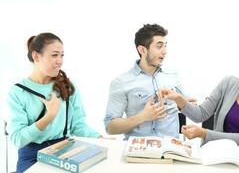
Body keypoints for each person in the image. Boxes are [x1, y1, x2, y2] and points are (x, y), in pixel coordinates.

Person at [159, 41, 239, 145]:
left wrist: (204, 134)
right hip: (217, 154)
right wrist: (178, 98)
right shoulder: (228, 83)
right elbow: (201, 114)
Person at [6, 33, 101, 172]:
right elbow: (17, 139)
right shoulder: (17, 92)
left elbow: (78, 125)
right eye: (54, 55)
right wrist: (49, 116)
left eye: (62, 55)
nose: (60, 61)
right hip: (33, 155)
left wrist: (100, 138)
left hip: (65, 150)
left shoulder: (67, 86)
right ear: (36, 56)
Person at [104, 24, 188, 140]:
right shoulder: (121, 82)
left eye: (165, 46)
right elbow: (110, 127)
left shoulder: (173, 76)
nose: (164, 51)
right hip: (138, 151)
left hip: (170, 150)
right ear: (142, 50)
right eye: (159, 47)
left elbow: (184, 106)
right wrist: (142, 117)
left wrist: (184, 103)